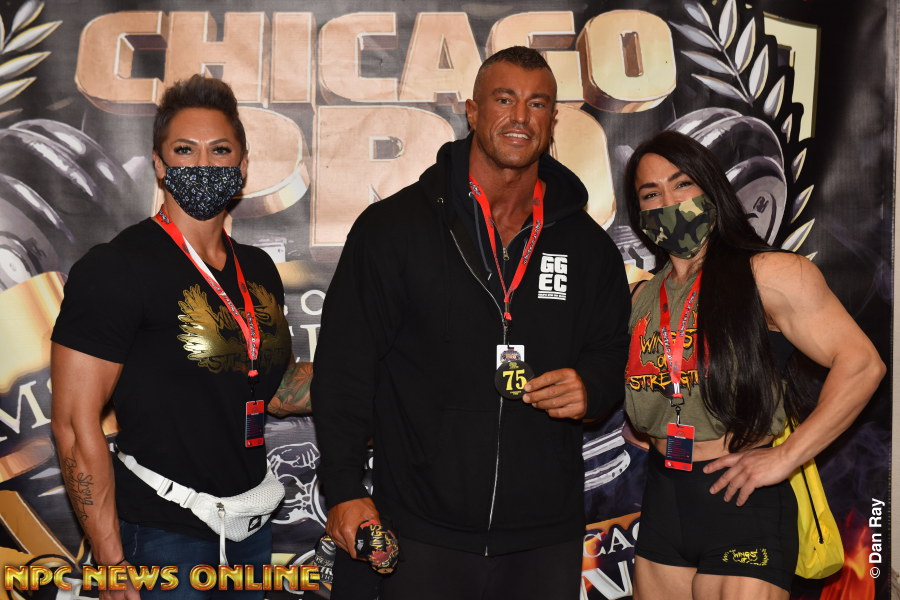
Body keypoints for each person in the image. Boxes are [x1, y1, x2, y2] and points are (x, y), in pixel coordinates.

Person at [311, 46, 630, 599]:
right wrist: (342, 486)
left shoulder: (587, 246)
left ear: (552, 120)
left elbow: (609, 350)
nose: (520, 117)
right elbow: (344, 366)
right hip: (417, 528)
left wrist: (593, 387)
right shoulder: (394, 228)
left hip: (542, 538)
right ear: (473, 111)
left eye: (537, 104)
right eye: (504, 100)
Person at [50, 75, 313, 600]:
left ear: (242, 166)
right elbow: (75, 425)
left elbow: (272, 389)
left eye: (221, 150)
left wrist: (373, 378)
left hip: (249, 530)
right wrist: (110, 560)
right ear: (158, 163)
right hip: (160, 535)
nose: (204, 164)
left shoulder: (258, 268)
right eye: (185, 150)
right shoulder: (117, 267)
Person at [622, 130, 885, 600]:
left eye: (682, 183)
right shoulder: (642, 296)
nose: (669, 201)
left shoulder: (769, 273)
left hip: (741, 499)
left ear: (711, 187)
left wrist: (787, 456)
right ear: (639, 214)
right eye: (650, 193)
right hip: (664, 497)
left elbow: (863, 364)